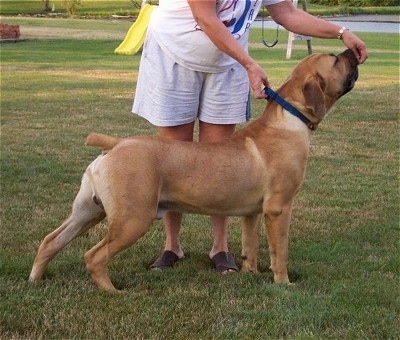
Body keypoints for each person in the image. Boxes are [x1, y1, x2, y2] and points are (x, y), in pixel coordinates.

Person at [132, 0, 368, 273]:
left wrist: (342, 32)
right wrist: (248, 63)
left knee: (223, 159)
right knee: (174, 155)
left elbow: (288, 13)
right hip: (174, 54)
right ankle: (172, 245)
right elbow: (205, 17)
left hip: (227, 63)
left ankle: (220, 248)